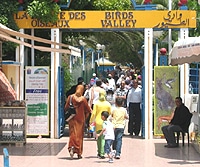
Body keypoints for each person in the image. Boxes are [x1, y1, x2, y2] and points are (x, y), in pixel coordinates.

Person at [64, 85, 92, 159]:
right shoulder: (83, 99)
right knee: (79, 136)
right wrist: (85, 118)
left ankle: (71, 147)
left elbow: (66, 107)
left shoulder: (70, 97)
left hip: (72, 119)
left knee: (72, 134)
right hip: (80, 120)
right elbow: (88, 111)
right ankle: (79, 152)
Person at [90, 90, 112, 159]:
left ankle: (99, 152)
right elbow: (110, 113)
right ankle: (102, 153)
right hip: (105, 122)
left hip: (98, 122)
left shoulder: (96, 103)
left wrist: (91, 121)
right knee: (103, 138)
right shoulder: (108, 104)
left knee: (98, 138)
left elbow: (93, 113)